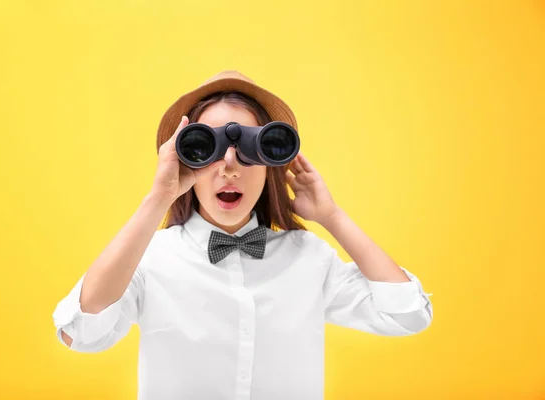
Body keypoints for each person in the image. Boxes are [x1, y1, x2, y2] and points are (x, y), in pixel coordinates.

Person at [52, 70, 433, 399]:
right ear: (186, 159)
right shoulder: (150, 259)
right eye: (208, 147)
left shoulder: (309, 260)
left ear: (270, 160)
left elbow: (408, 313)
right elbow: (79, 332)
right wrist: (158, 198)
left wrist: (332, 217)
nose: (230, 166)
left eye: (248, 148)